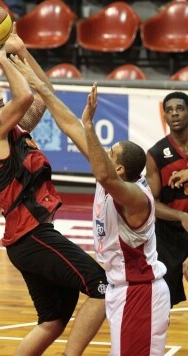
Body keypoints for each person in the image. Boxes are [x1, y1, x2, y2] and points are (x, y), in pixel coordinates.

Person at [9, 54, 170, 355]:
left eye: (109, 152)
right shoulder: (110, 176)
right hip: (121, 291)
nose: (100, 153)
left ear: (119, 170)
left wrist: (89, 125)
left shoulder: (136, 198)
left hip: (140, 294)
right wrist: (40, 88)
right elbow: (68, 124)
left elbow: (103, 172)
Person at [0, 24, 108, 356]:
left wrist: (21, 50)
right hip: (31, 238)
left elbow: (42, 94)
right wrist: (1, 56)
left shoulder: (14, 131)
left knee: (52, 322)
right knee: (104, 287)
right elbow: (26, 95)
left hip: (28, 239)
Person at [146, 91, 188, 307]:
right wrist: (180, 216)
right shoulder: (156, 154)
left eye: (180, 108)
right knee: (164, 298)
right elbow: (151, 202)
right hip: (170, 232)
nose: (174, 114)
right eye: (169, 111)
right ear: (164, 117)